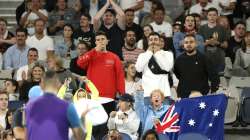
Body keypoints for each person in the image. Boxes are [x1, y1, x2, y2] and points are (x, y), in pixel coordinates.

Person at [25, 70, 85, 140]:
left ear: (41, 85)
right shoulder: (67, 106)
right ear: (59, 84)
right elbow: (80, 136)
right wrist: (83, 120)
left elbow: (27, 134)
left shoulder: (29, 106)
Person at [77, 31, 125, 114]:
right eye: (98, 40)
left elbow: (120, 76)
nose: (100, 42)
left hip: (109, 97)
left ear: (107, 41)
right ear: (95, 42)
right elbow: (80, 63)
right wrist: (94, 51)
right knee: (93, 126)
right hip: (92, 96)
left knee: (108, 125)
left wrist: (122, 94)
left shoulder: (114, 57)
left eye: (103, 39)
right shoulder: (90, 55)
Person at [135, 32, 174, 98]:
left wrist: (157, 53)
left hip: (163, 92)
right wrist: (149, 53)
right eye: (151, 40)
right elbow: (138, 69)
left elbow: (167, 68)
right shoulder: (142, 55)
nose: (153, 42)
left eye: (156, 39)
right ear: (148, 42)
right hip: (147, 93)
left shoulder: (167, 54)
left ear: (159, 42)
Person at [198, 8, 228, 74]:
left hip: (219, 58)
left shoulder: (222, 29)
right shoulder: (201, 28)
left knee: (219, 78)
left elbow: (226, 45)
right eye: (210, 15)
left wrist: (218, 43)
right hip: (205, 57)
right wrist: (208, 42)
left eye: (214, 15)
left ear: (217, 16)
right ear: (207, 16)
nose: (212, 17)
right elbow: (198, 45)